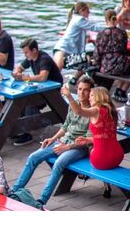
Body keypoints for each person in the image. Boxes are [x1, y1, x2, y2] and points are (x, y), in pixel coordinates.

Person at [12, 77, 94, 207]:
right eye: (79, 89)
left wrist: (66, 147)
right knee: (33, 157)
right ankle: (14, 191)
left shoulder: (93, 111)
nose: (81, 92)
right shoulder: (74, 104)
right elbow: (65, 126)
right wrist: (53, 139)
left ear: (91, 92)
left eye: (85, 90)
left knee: (59, 163)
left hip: (78, 147)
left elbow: (86, 140)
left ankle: (41, 201)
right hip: (63, 141)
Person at [12, 38, 63, 145]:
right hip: (42, 89)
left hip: (53, 91)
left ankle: (27, 132)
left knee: (27, 102)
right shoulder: (30, 58)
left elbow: (43, 77)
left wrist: (26, 78)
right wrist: (17, 72)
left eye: (26, 52)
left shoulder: (44, 59)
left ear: (34, 50)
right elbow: (20, 67)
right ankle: (16, 129)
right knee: (20, 100)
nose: (25, 55)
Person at [64, 86, 124, 171]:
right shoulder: (111, 110)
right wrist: (88, 140)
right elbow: (106, 137)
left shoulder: (96, 110)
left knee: (86, 155)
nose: (89, 98)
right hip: (118, 156)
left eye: (91, 95)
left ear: (98, 96)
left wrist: (69, 96)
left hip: (101, 159)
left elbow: (78, 111)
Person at [94, 9, 130, 103]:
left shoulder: (101, 34)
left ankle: (117, 90)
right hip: (120, 66)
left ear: (106, 20)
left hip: (105, 67)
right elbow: (124, 50)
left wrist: (96, 64)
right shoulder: (122, 33)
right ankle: (122, 90)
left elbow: (97, 54)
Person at [53, 1, 103, 73]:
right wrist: (109, 28)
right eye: (87, 11)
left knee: (81, 62)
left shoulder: (75, 18)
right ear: (81, 11)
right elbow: (93, 28)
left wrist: (87, 37)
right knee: (58, 67)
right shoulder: (79, 19)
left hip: (66, 47)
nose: (89, 13)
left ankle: (72, 81)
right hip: (63, 47)